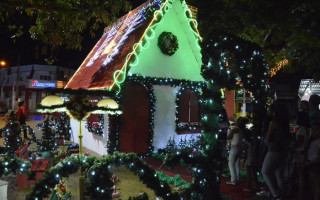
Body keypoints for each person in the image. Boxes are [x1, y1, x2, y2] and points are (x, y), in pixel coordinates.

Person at [261, 103, 290, 200]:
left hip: (273, 150)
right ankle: (282, 194)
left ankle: (275, 194)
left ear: (274, 112)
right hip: (282, 151)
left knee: (264, 171)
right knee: (278, 173)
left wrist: (267, 143)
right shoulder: (285, 124)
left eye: (269, 109)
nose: (268, 111)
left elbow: (267, 139)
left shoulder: (273, 123)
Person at [293, 111, 310, 200]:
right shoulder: (307, 129)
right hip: (303, 153)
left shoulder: (302, 129)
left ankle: (300, 194)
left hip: (299, 154)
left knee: (300, 176)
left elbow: (300, 143)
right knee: (301, 175)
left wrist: (292, 143)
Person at [303, 122, 320, 200]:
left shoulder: (318, 141)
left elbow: (318, 158)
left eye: (316, 130)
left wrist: (309, 164)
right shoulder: (312, 141)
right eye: (312, 130)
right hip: (311, 163)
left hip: (315, 164)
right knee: (312, 183)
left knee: (315, 184)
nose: (313, 132)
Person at [226, 117, 244, 185]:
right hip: (240, 148)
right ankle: (238, 178)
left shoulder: (235, 129)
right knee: (237, 164)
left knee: (230, 164)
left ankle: (233, 180)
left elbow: (228, 137)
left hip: (234, 148)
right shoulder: (242, 130)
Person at [242, 122, 259, 192]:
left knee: (248, 173)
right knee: (254, 172)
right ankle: (257, 185)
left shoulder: (245, 143)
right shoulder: (251, 141)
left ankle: (248, 187)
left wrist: (243, 162)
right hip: (253, 158)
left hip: (248, 159)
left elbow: (245, 153)